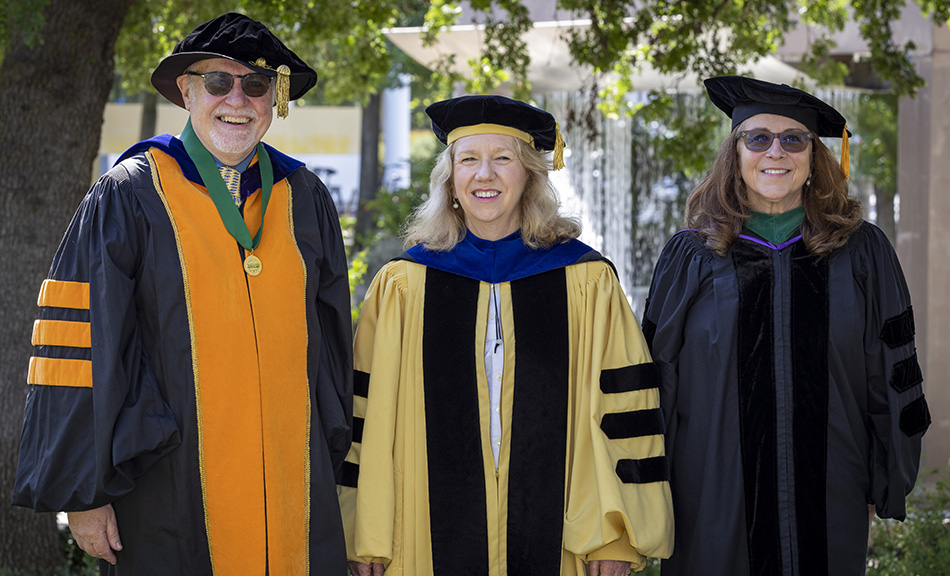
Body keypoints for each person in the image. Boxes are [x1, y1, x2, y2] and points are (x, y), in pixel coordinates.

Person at [12, 13, 353, 575]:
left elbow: (335, 348)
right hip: (168, 486)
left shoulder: (304, 198)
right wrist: (84, 493)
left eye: (256, 84)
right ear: (187, 92)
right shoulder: (130, 194)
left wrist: (338, 471)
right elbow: (80, 346)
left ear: (276, 99)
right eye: (218, 82)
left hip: (293, 488)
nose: (236, 100)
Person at [338, 94, 674, 576]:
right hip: (422, 540)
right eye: (469, 159)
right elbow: (366, 417)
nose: (485, 174)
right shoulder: (404, 286)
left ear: (531, 175)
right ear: (450, 179)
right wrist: (362, 533)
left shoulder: (586, 281)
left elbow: (623, 412)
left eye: (503, 159)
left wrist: (614, 539)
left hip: (560, 536)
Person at [642, 76, 931, 576]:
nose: (775, 152)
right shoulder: (690, 253)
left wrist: (885, 481)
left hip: (831, 497)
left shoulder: (862, 252)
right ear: (735, 153)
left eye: (793, 139)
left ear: (813, 156)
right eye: (758, 138)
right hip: (710, 502)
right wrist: (646, 496)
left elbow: (893, 373)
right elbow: (653, 382)